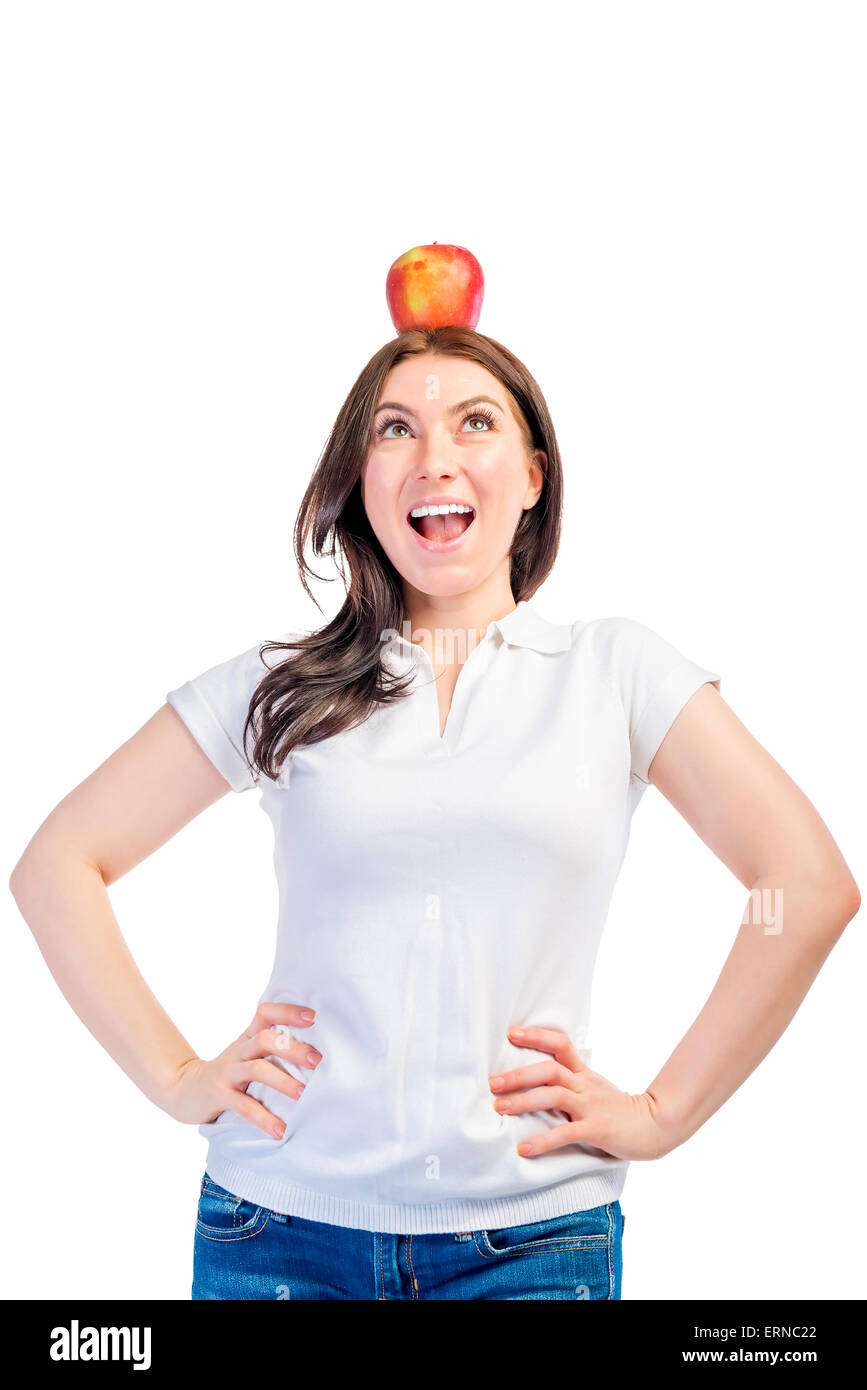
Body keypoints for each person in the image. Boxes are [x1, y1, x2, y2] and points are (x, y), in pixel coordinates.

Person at [10, 326, 860, 1302]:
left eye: (475, 421)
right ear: (359, 481)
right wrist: (176, 1074)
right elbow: (59, 866)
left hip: (535, 1240)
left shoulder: (613, 671)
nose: (434, 460)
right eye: (396, 430)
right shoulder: (285, 686)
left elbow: (801, 886)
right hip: (278, 1232)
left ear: (534, 475)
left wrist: (666, 1110)